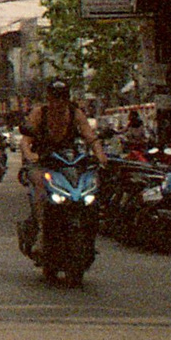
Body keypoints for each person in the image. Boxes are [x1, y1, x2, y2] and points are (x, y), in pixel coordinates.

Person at [20, 81, 105, 244]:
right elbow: (25, 141)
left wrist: (100, 155)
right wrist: (30, 154)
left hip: (68, 162)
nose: (58, 103)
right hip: (43, 161)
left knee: (89, 183)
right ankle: (40, 230)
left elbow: (90, 137)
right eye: (54, 98)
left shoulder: (75, 113)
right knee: (39, 183)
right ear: (49, 98)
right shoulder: (39, 113)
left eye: (62, 98)